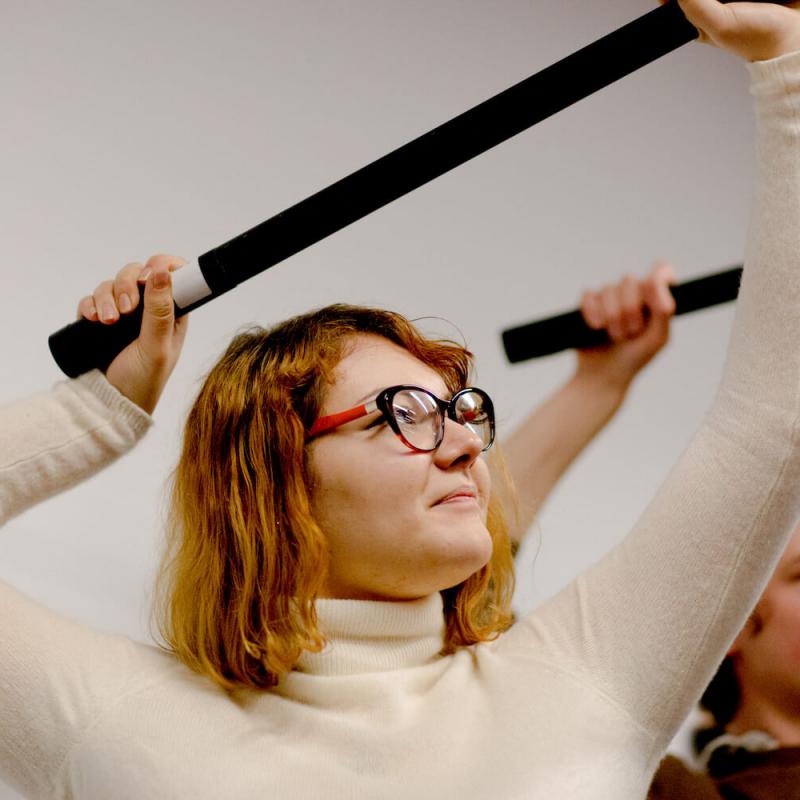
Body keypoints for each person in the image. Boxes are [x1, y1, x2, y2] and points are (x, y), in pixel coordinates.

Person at [2, 1, 800, 797]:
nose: (465, 444)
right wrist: (96, 412)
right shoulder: (121, 722)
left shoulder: (581, 679)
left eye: (460, 410)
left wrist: (784, 60)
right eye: (404, 415)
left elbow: (769, 421)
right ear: (278, 478)